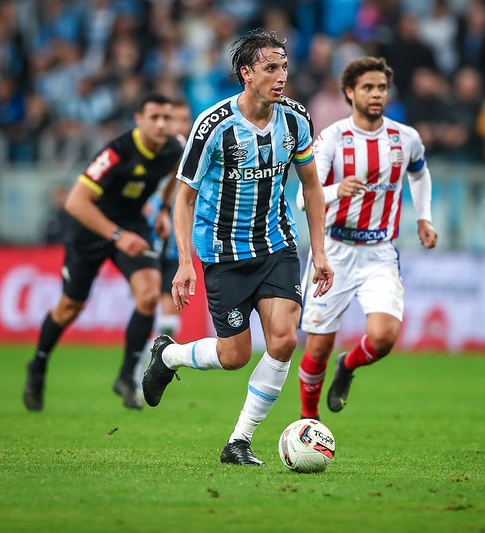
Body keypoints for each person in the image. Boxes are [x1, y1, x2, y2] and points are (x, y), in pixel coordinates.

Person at [141, 30, 334, 466]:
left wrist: (319, 252)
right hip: (223, 254)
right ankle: (168, 355)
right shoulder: (213, 125)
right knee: (235, 356)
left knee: (284, 340)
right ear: (247, 73)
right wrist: (185, 263)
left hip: (276, 244)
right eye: (271, 68)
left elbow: (311, 186)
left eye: (284, 67)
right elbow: (184, 198)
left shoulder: (296, 119)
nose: (281, 76)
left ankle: (239, 441)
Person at [295, 56, 438, 421]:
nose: (376, 94)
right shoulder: (331, 138)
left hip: (379, 251)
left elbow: (420, 174)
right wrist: (336, 190)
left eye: (382, 88)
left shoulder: (405, 138)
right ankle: (309, 420)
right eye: (368, 87)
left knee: (384, 336)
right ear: (349, 92)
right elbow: (303, 198)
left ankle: (348, 365)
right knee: (318, 347)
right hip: (335, 250)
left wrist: (424, 218)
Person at [23, 93, 183, 411]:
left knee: (149, 294)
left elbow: (173, 174)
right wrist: (117, 235)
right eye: (154, 117)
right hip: (90, 230)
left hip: (132, 225)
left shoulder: (174, 148)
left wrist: (165, 209)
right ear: (139, 120)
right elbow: (75, 202)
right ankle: (38, 364)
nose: (161, 124)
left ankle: (126, 376)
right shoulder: (116, 154)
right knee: (69, 308)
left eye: (166, 118)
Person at [143, 98, 194, 341]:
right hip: (148, 237)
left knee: (170, 321)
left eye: (185, 120)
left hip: (177, 244)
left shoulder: (195, 154)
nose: (180, 125)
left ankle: (153, 358)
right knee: (145, 303)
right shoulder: (151, 152)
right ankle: (139, 358)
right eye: (175, 119)